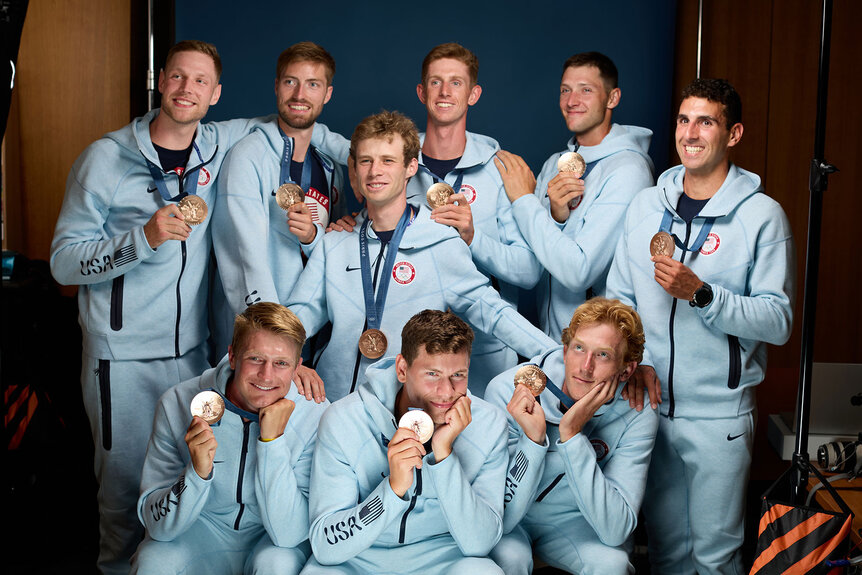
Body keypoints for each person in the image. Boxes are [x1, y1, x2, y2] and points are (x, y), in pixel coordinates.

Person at [49, 40, 262, 574]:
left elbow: (289, 120)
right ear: (160, 80)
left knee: (183, 483)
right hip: (119, 360)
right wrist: (141, 238)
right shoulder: (106, 158)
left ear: (214, 95)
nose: (186, 89)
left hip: (192, 359)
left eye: (199, 82)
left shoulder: (217, 144)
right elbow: (62, 263)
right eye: (177, 77)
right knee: (121, 496)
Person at [605, 78, 794, 573]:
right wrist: (636, 360)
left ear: (733, 134)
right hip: (651, 408)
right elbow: (618, 300)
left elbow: (778, 320)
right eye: (684, 120)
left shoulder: (763, 217)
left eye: (705, 121)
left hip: (720, 416)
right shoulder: (646, 206)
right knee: (666, 551)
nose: (690, 132)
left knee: (715, 556)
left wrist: (703, 295)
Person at [286, 111, 557, 401]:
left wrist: (555, 355)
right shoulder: (334, 243)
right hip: (333, 407)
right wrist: (289, 361)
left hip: (406, 415)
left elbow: (493, 311)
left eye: (387, 161)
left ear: (411, 167)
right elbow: (295, 319)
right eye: (366, 161)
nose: (375, 171)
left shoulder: (441, 241)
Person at [302, 309, 507, 574]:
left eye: (458, 375)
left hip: (443, 556)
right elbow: (325, 546)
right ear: (402, 369)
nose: (446, 392)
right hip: (359, 557)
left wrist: (443, 456)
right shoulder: (343, 420)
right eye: (432, 374)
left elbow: (479, 545)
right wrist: (393, 489)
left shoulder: (490, 423)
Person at [132, 302, 327, 575]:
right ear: (233, 357)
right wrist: (196, 475)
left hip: (268, 539)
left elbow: (288, 535)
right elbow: (157, 527)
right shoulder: (176, 402)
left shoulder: (316, 415)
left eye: (281, 363)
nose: (266, 375)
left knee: (278, 565)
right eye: (255, 359)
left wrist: (272, 444)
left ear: (297, 367)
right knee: (154, 560)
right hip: (201, 532)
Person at [404, 43, 542, 388]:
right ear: (422, 92)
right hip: (413, 343)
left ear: (473, 94)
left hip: (486, 347)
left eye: (456, 83)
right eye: (435, 82)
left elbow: (529, 272)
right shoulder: (395, 163)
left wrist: (473, 237)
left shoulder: (502, 169)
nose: (445, 92)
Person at [485, 297, 657, 574]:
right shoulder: (509, 391)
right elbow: (498, 515)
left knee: (612, 566)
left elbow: (616, 530)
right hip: (513, 519)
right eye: (579, 348)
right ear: (564, 351)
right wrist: (534, 441)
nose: (585, 367)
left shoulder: (638, 410)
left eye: (603, 355)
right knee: (507, 560)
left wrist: (573, 436)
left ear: (627, 369)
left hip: (574, 522)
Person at [494, 51, 654, 339]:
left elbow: (579, 272)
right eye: (565, 90)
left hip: (600, 348)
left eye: (586, 90)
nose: (571, 101)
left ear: (613, 98)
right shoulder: (554, 163)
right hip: (554, 342)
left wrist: (523, 200)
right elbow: (535, 262)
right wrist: (556, 217)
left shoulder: (629, 171)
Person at [212, 42, 345, 366]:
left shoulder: (331, 165)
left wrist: (315, 238)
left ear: (327, 93)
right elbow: (245, 261)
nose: (300, 94)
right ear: (276, 86)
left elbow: (330, 251)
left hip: (312, 333)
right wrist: (277, 345)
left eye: (312, 84)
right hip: (260, 344)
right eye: (290, 82)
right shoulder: (248, 156)